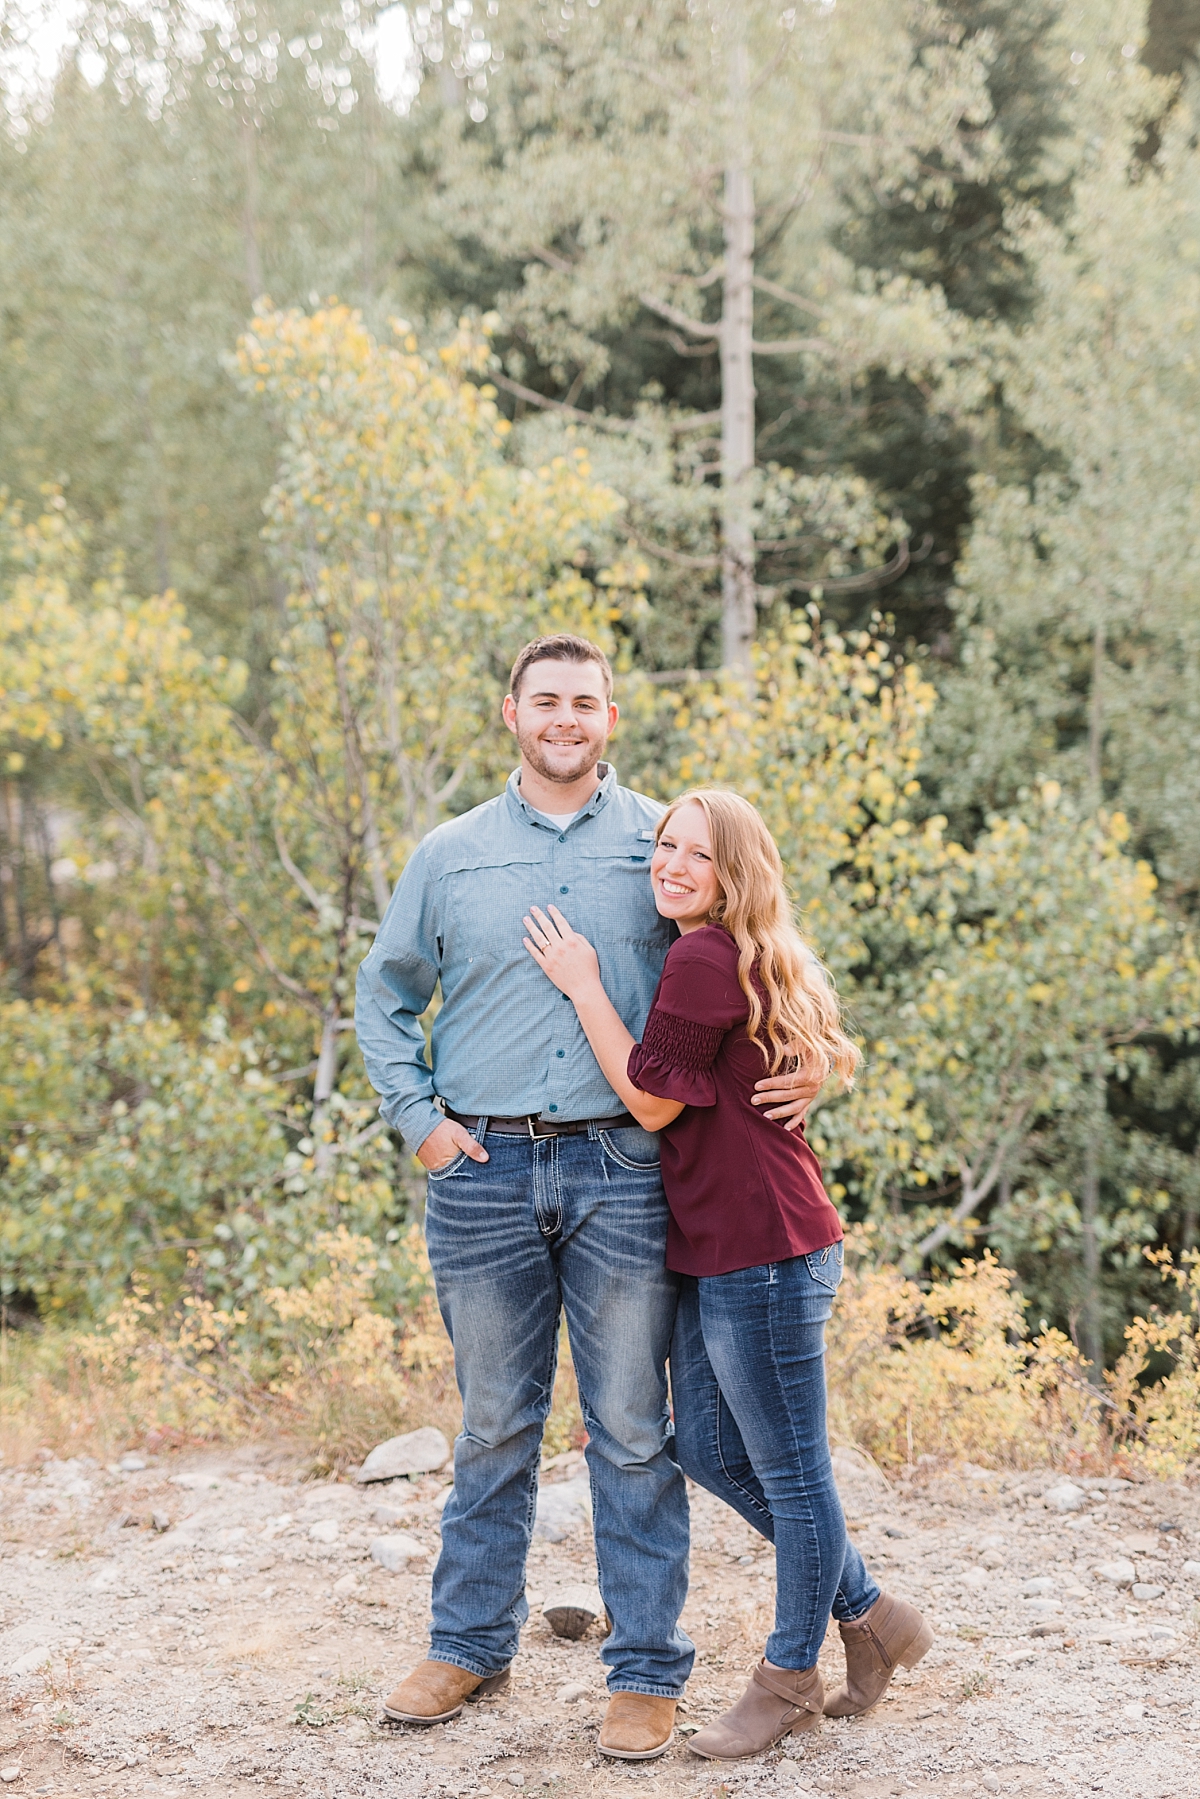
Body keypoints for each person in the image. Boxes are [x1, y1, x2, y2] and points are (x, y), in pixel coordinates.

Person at [355, 636, 817, 1761]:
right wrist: (420, 1122)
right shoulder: (450, 853)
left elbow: (760, 953)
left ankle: (648, 1669)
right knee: (494, 1427)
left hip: (626, 1173)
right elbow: (384, 994)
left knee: (631, 1429)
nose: (565, 717)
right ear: (512, 709)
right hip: (483, 1173)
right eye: (546, 700)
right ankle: (467, 1643)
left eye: (586, 702)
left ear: (611, 716)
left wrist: (813, 1055)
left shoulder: (666, 846)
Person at [522, 786, 933, 1761]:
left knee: (793, 1471)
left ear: (733, 872)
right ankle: (872, 1611)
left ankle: (789, 1678)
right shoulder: (718, 949)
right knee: (705, 1444)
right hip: (717, 1243)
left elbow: (656, 1107)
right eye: (664, 844)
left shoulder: (709, 953)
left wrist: (582, 982)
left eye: (697, 854)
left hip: (768, 1245)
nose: (671, 863)